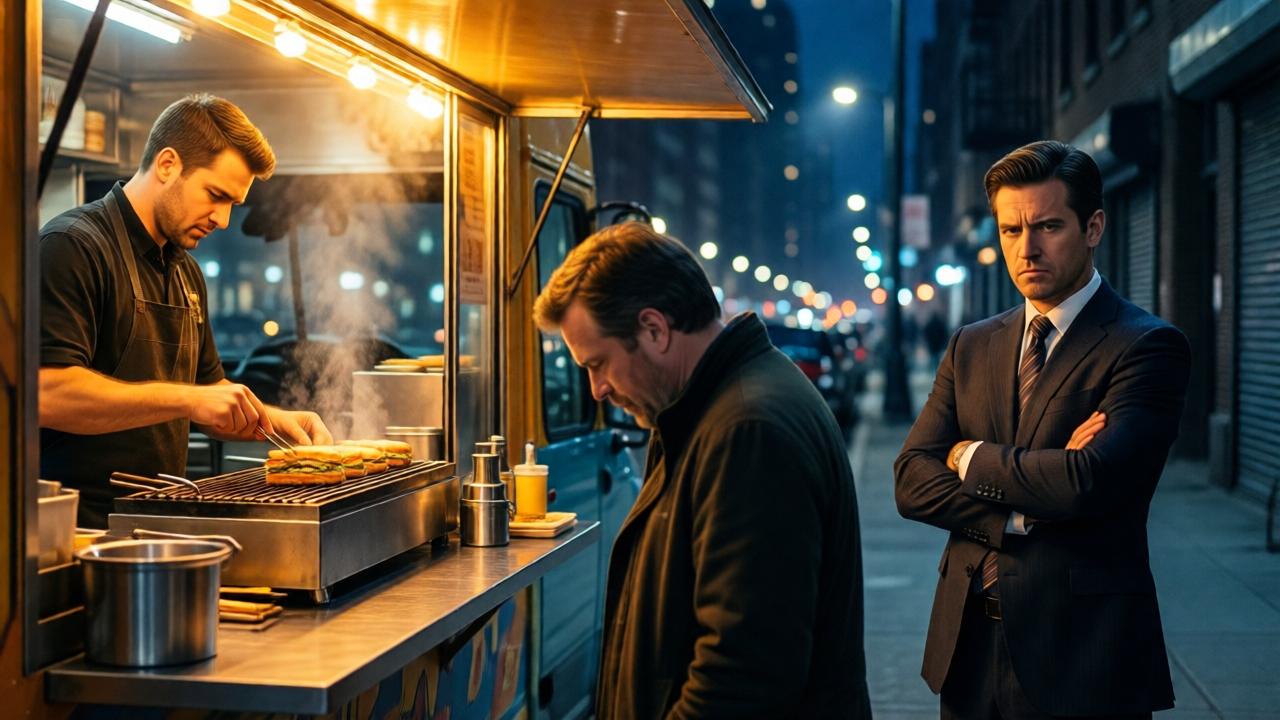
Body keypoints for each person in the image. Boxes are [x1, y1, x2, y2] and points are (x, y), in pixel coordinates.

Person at [894, 141, 1190, 719]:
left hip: (1083, 653)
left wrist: (970, 457)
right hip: (968, 646)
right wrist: (1021, 510)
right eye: (1010, 230)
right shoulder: (972, 344)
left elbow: (1090, 481)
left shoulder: (1146, 346)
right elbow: (910, 479)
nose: (1026, 248)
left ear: (1093, 226)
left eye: (1048, 226)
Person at [534, 222, 870, 719]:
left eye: (598, 363)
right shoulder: (715, 411)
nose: (597, 389)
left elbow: (741, 678)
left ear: (654, 329)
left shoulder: (746, 431)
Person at [40, 93, 332, 527]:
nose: (223, 219)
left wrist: (277, 420)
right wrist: (189, 399)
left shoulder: (185, 273)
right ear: (167, 164)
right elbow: (46, 393)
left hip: (160, 521)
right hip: (75, 533)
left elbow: (209, 396)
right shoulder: (72, 246)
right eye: (216, 195)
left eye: (233, 202)